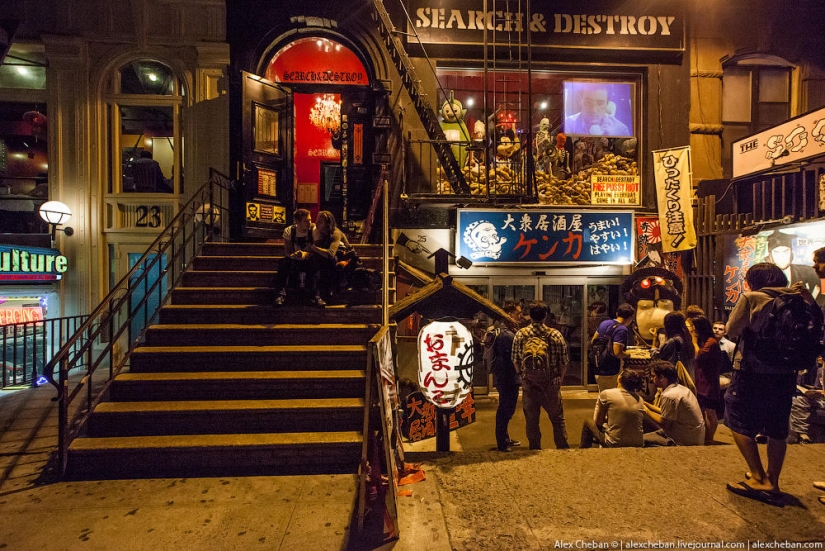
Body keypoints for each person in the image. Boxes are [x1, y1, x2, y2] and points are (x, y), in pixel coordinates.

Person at [724, 262, 818, 507]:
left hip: (753, 372)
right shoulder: (797, 299)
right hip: (786, 374)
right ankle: (773, 480)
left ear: (753, 281)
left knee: (737, 419)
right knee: (777, 427)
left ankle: (758, 477)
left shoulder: (753, 297)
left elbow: (732, 330)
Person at [512, 301, 570, 450]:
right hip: (551, 383)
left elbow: (515, 359)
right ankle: (563, 449)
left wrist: (521, 375)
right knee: (557, 419)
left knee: (532, 421)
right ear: (545, 316)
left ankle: (535, 448)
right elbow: (564, 361)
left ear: (530, 316)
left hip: (529, 384)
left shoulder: (521, 334)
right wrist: (559, 378)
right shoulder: (555, 334)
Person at [485, 301, 523, 452]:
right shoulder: (506, 335)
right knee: (506, 408)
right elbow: (514, 357)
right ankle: (502, 442)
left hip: (504, 375)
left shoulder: (502, 331)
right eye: (518, 313)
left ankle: (505, 438)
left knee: (506, 408)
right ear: (509, 314)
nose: (520, 316)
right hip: (507, 376)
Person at [642, 360, 705, 446]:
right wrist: (646, 404)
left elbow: (664, 423)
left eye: (653, 376)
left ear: (662, 378)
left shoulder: (669, 395)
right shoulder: (681, 388)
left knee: (641, 439)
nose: (651, 379)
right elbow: (667, 413)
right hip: (694, 435)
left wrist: (646, 410)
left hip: (684, 440)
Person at [273, 208, 325, 307]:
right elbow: (288, 251)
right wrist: (294, 255)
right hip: (295, 260)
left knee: (316, 263)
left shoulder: (314, 230)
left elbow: (316, 249)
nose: (309, 223)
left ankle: (316, 295)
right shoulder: (289, 231)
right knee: (283, 263)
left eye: (310, 220)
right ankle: (280, 295)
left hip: (309, 259)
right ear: (297, 222)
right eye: (306, 221)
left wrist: (306, 254)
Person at [580, 369, 645, 448]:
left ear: (619, 379)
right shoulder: (640, 399)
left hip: (614, 443)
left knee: (588, 422)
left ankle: (583, 450)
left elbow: (598, 421)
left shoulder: (607, 394)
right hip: (637, 443)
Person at [589, 302, 635, 392]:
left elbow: (593, 341)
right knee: (612, 394)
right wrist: (628, 354)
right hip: (611, 368)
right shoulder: (622, 329)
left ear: (617, 314)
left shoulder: (604, 323)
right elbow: (617, 352)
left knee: (603, 394)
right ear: (630, 318)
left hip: (598, 365)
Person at [765, 231, 821, 303]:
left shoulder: (808, 272)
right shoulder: (765, 277)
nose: (782, 257)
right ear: (770, 255)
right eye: (776, 252)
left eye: (786, 252)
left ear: (791, 253)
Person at [691, 315, 722, 444]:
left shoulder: (711, 343)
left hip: (708, 384)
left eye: (694, 327)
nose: (692, 330)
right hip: (702, 382)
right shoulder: (706, 341)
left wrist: (693, 341)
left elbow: (698, 356)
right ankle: (706, 437)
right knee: (703, 411)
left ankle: (709, 439)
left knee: (710, 412)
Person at [564, 84, 630, 137]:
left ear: (607, 104)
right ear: (580, 100)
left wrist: (613, 138)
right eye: (588, 102)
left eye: (600, 103)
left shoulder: (621, 130)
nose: (594, 110)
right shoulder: (569, 124)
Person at [309, 210, 345, 301]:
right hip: (327, 258)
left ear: (327, 224)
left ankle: (329, 290)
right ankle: (318, 293)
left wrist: (315, 248)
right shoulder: (320, 232)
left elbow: (331, 254)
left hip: (342, 257)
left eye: (320, 222)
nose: (317, 223)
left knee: (329, 261)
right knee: (316, 260)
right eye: (317, 221)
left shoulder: (335, 233)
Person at [651, 311, 696, 384]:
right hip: (688, 378)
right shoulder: (687, 338)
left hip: (677, 379)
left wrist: (654, 344)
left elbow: (657, 356)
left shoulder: (673, 341)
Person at [788, 356, 824, 444]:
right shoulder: (820, 371)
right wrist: (813, 393)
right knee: (797, 400)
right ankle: (801, 434)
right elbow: (818, 388)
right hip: (822, 400)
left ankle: (800, 435)